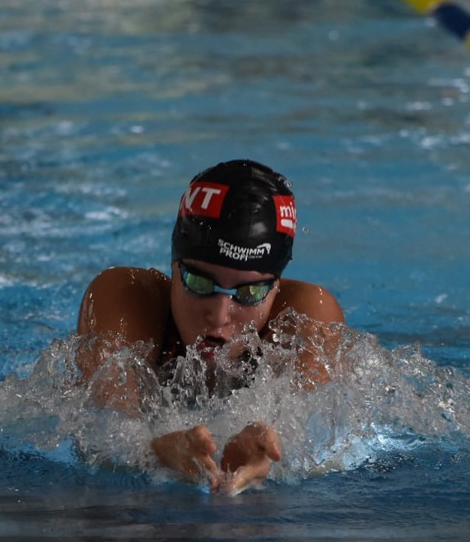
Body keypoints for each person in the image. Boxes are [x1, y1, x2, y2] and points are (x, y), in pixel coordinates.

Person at [76, 159, 346, 494]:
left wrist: (274, 456)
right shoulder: (125, 298)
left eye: (250, 293)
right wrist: (153, 450)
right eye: (199, 282)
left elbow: (320, 442)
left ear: (276, 286)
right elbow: (100, 435)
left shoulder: (307, 316)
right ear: (174, 265)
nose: (220, 316)